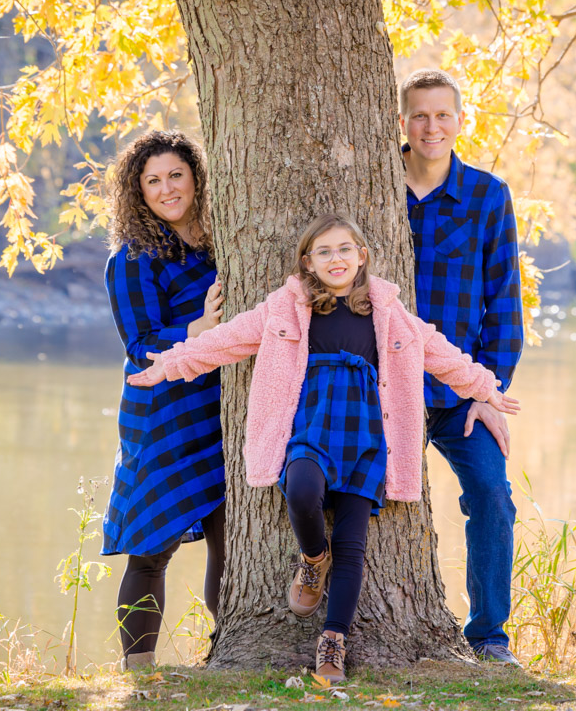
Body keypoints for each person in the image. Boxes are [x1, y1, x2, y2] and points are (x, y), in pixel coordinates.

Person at [128, 213, 519, 684]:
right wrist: (170, 363)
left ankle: (333, 639)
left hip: (367, 439)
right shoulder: (286, 309)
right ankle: (313, 558)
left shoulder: (389, 313)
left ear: (362, 256)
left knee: (353, 544)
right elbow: (226, 340)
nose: (336, 259)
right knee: (300, 490)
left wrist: (485, 387)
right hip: (310, 432)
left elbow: (441, 353)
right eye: (325, 252)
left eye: (345, 250)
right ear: (308, 262)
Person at [399, 69, 525, 665]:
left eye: (442, 115)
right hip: (384, 390)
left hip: (457, 395)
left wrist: (488, 391)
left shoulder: (487, 196)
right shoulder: (374, 188)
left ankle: (488, 637)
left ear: (459, 121)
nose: (431, 127)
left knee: (493, 497)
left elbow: (503, 302)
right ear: (402, 121)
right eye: (419, 115)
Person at [103, 130, 227, 671]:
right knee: (153, 545)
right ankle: (139, 672)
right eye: (152, 180)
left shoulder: (224, 241)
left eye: (175, 174)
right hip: (162, 415)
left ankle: (228, 652)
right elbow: (141, 345)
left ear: (196, 177)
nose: (166, 188)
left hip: (219, 407)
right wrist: (194, 330)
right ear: (138, 192)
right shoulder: (133, 258)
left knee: (231, 535)